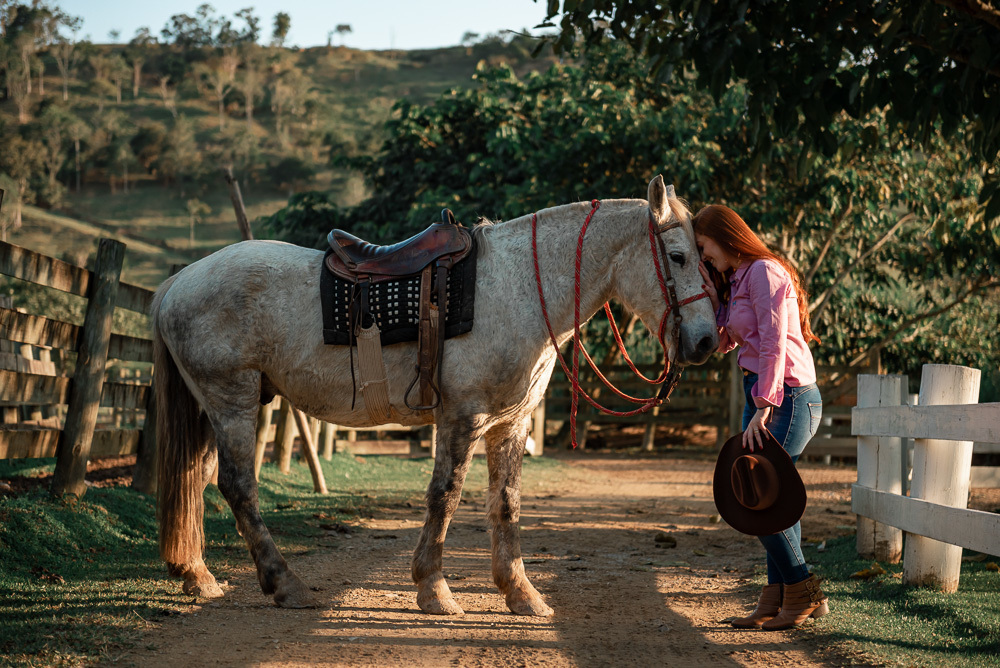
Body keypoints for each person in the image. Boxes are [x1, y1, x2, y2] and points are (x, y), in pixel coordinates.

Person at [693, 204, 828, 631]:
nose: (703, 255)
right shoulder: (738, 279)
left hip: (788, 397)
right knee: (772, 498)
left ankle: (804, 591)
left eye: (703, 246)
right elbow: (722, 343)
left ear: (723, 235)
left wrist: (765, 406)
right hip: (765, 395)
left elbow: (772, 344)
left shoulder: (766, 272)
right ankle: (775, 601)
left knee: (760, 497)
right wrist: (714, 296)